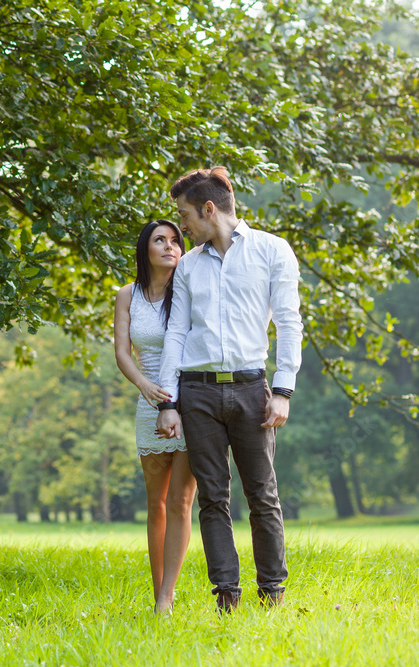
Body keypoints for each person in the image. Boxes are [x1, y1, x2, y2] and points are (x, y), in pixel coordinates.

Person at [155, 166, 302, 613]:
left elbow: (289, 322)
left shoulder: (272, 251)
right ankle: (226, 596)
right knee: (213, 498)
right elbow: (176, 334)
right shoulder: (189, 268)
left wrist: (283, 390)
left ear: (209, 208)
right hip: (196, 393)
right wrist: (169, 401)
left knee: (262, 494)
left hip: (251, 389)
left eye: (184, 216)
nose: (181, 227)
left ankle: (272, 592)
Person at [114, 219, 197, 615]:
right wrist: (144, 386)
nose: (170, 246)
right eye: (159, 240)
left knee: (182, 501)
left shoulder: (191, 289)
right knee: (156, 504)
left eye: (175, 240)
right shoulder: (127, 295)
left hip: (193, 404)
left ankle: (167, 596)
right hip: (149, 406)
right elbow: (123, 353)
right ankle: (157, 594)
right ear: (145, 250)